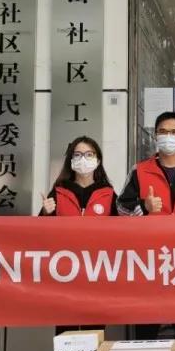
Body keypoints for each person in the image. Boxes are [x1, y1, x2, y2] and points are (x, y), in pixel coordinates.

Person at [116, 111, 175, 348]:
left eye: (174, 132)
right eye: (163, 131)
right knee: (147, 326)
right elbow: (120, 208)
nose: (169, 136)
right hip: (149, 261)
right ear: (155, 136)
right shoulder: (139, 170)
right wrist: (144, 207)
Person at [40, 136, 116, 335]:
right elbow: (41, 235)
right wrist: (45, 213)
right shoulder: (58, 193)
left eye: (89, 154)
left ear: (97, 160)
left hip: (97, 273)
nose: (84, 159)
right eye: (78, 154)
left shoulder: (108, 194)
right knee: (66, 333)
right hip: (66, 274)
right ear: (71, 160)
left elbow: (122, 233)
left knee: (94, 332)